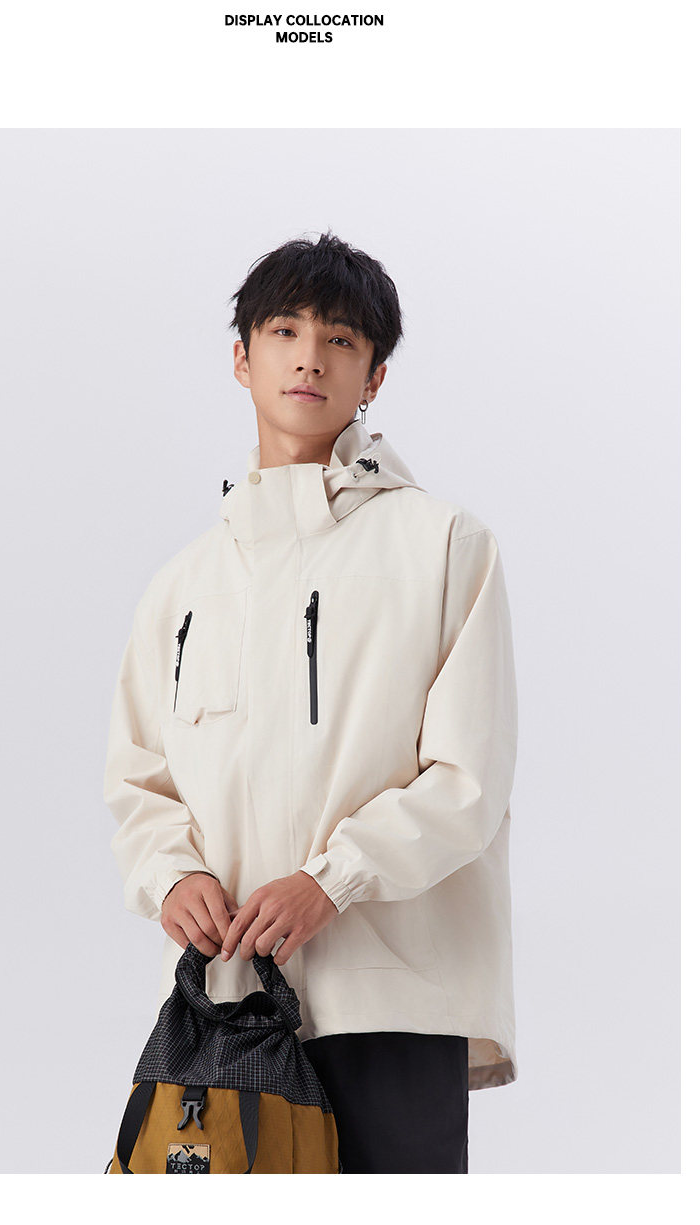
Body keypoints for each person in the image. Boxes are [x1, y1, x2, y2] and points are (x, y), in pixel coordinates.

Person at [103, 230, 519, 1174]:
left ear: (374, 376)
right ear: (242, 358)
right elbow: (140, 778)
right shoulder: (183, 583)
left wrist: (334, 879)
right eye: (285, 331)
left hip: (391, 995)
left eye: (341, 339)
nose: (309, 358)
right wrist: (173, 874)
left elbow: (469, 776)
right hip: (225, 1000)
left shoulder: (445, 545)